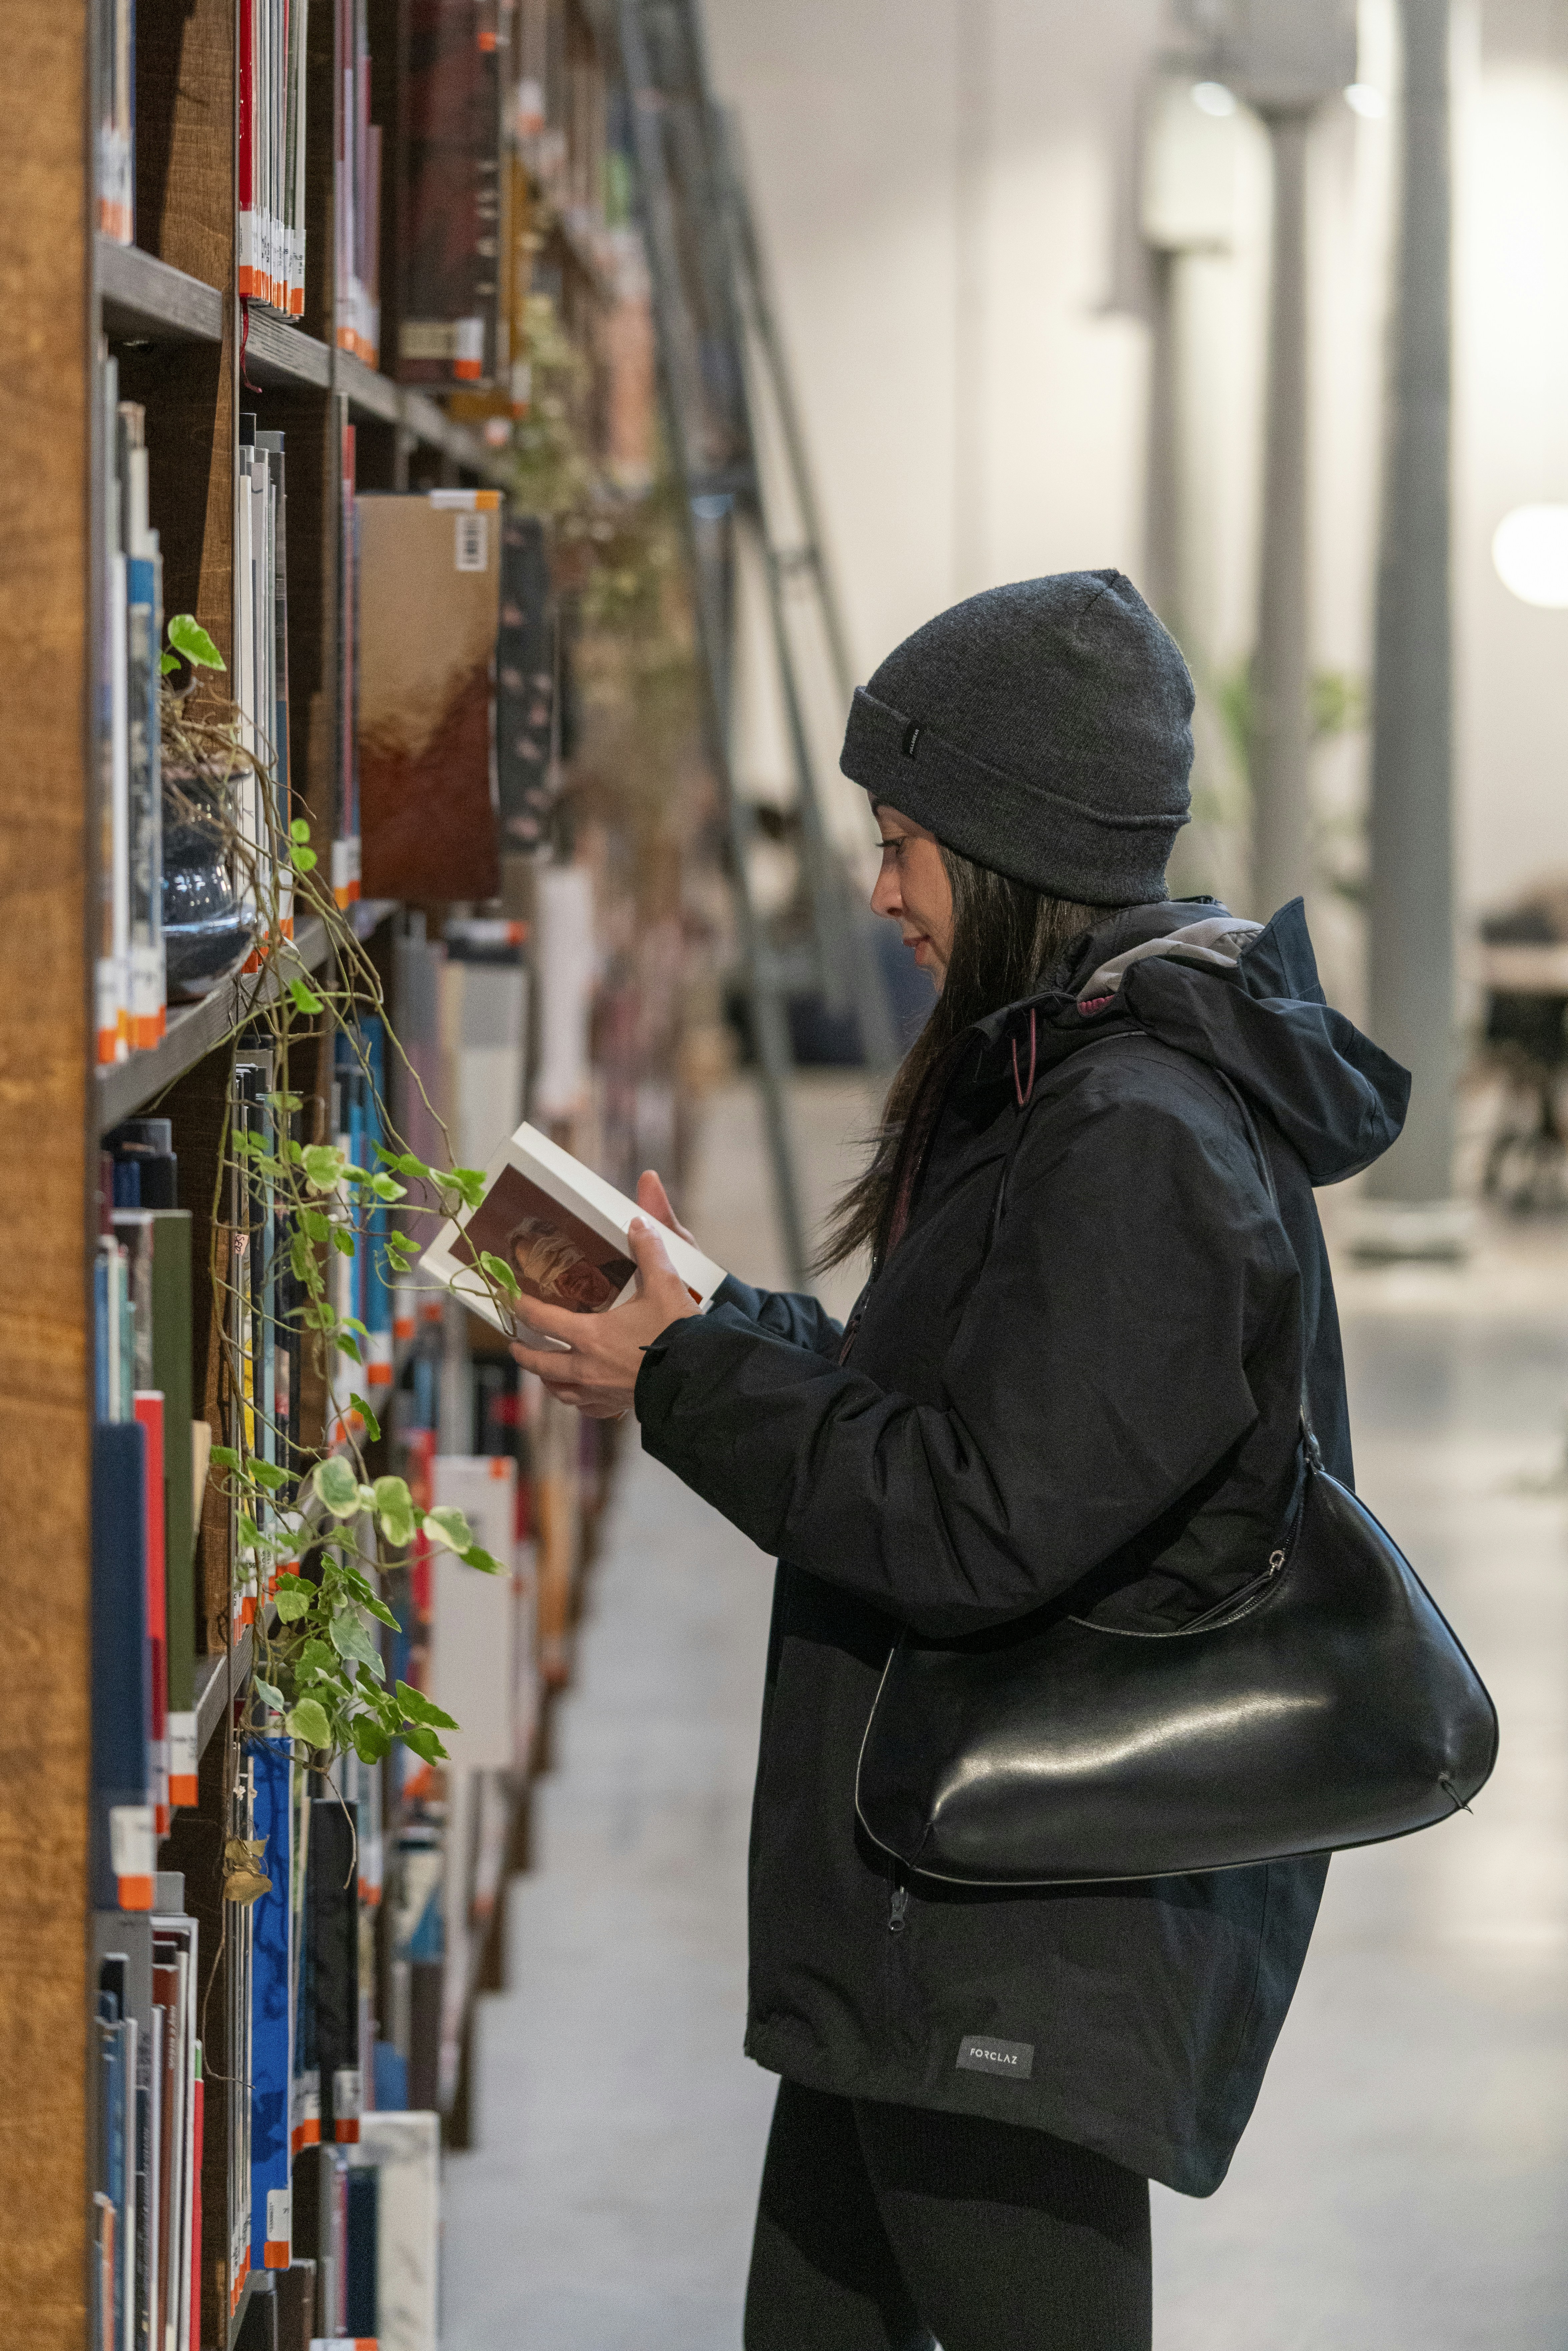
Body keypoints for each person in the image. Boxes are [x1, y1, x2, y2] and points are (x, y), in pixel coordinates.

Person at [509, 571, 1410, 2351]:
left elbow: (980, 1521)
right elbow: (973, 1418)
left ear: (1009, 849)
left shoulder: (1140, 1132)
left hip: (1018, 1930)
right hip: (924, 1905)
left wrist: (691, 1383)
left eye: (904, 840)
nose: (882, 887)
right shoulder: (1062, 1078)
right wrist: (723, 1324)